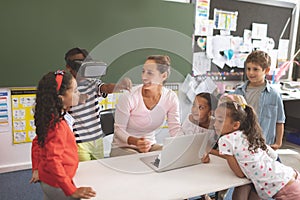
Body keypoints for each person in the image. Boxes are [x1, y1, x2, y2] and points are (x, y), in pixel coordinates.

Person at [30, 70, 96, 199]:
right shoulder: (58, 126)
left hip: (49, 179)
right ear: (61, 99)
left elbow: (37, 142)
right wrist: (71, 190)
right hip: (58, 185)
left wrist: (36, 168)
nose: (78, 94)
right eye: (75, 91)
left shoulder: (51, 117)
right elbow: (53, 160)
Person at [214, 101, 300, 200]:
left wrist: (210, 151)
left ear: (236, 125)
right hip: (288, 175)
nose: (215, 124)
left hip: (285, 190)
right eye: (215, 119)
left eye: (220, 121)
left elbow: (240, 174)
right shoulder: (248, 134)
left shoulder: (225, 140)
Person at [64, 47, 131, 161]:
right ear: (69, 67)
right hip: (78, 141)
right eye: (79, 65)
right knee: (85, 172)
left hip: (96, 140)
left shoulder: (93, 83)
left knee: (97, 170)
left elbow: (106, 87)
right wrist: (74, 98)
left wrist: (120, 85)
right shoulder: (66, 87)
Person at [110, 55, 182, 157]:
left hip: (149, 147)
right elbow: (119, 131)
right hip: (123, 147)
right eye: (143, 71)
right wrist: (136, 142)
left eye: (150, 73)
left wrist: (183, 146)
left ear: (164, 76)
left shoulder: (171, 97)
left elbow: (175, 129)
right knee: (137, 160)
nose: (144, 77)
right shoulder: (129, 96)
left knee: (169, 155)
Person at [233, 50, 285, 151]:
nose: (251, 73)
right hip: (242, 142)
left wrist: (278, 143)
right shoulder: (238, 92)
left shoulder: (274, 94)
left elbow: (280, 120)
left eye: (255, 69)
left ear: (266, 70)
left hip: (265, 144)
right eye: (248, 69)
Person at [182, 92, 218, 162]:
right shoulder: (189, 121)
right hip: (188, 157)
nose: (195, 110)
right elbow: (183, 142)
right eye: (194, 105)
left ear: (210, 112)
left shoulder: (216, 125)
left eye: (200, 107)